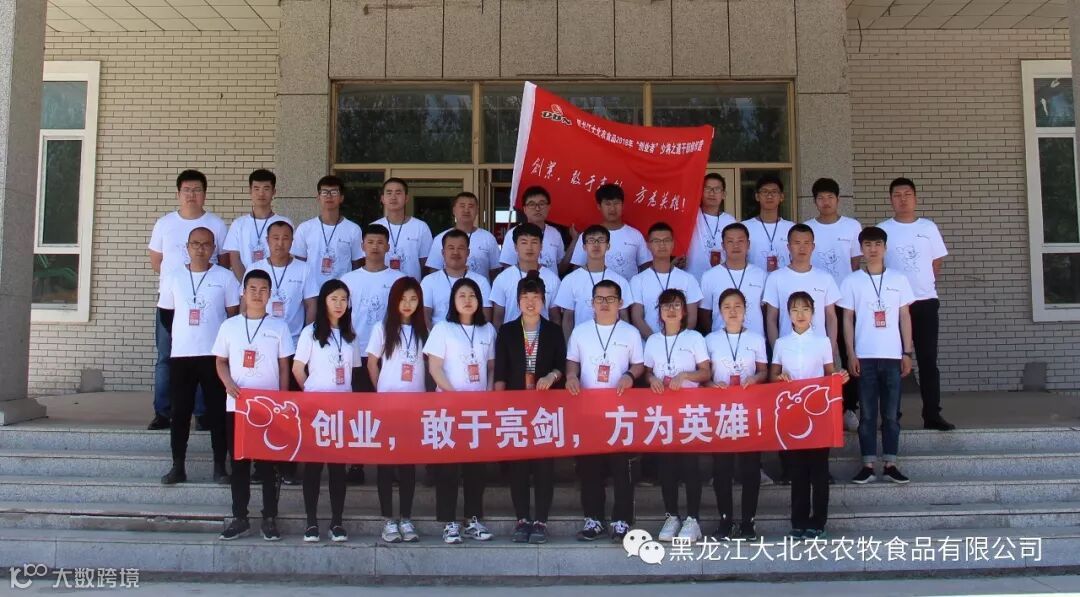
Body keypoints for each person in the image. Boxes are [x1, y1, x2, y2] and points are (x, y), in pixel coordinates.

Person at [212, 270, 294, 541]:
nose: (258, 294)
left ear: (270, 294)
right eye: (253, 289)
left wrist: (283, 400)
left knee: (269, 466)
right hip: (238, 406)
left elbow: (284, 366)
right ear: (243, 293)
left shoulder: (279, 327)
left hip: (269, 407)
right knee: (239, 464)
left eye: (263, 289)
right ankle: (240, 517)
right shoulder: (229, 326)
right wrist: (227, 383)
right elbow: (220, 361)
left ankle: (269, 517)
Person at [157, 227, 240, 486]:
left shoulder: (225, 277)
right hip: (182, 354)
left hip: (214, 356)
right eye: (195, 243)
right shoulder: (173, 277)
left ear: (214, 248)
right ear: (187, 247)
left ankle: (220, 467)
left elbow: (233, 314)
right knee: (180, 412)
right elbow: (166, 315)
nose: (200, 248)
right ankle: (178, 466)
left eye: (206, 244)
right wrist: (183, 335)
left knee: (217, 412)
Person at [147, 170, 228, 430]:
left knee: (206, 357)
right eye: (186, 190)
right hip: (173, 302)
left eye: (197, 190)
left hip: (208, 304)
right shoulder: (164, 223)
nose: (191, 195)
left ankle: (202, 413)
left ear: (205, 193)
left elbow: (223, 261)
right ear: (178, 193)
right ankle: (163, 412)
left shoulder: (216, 224)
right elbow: (157, 262)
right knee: (166, 356)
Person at [566, 280, 645, 543]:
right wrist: (571, 377)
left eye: (610, 299)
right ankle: (593, 518)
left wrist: (629, 376)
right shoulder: (580, 332)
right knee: (590, 468)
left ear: (620, 303)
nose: (604, 303)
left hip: (620, 411)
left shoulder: (630, 333)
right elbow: (572, 363)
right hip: (589, 410)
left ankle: (622, 520)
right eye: (599, 299)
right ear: (591, 303)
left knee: (622, 468)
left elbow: (639, 365)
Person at [493, 274, 566, 544]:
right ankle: (522, 519)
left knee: (545, 466)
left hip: (545, 407)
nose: (531, 302)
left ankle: (541, 521)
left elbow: (562, 365)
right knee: (519, 466)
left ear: (544, 301)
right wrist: (498, 406)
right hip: (515, 408)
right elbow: (500, 372)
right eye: (525, 297)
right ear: (518, 301)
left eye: (536, 297)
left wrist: (552, 376)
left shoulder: (554, 331)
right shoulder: (508, 331)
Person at [424, 278, 497, 544]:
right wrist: (455, 397)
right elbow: (434, 368)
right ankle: (449, 522)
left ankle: (473, 519)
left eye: (472, 296)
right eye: (462, 295)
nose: (467, 300)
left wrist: (487, 394)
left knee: (476, 468)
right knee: (448, 469)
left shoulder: (487, 329)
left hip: (477, 411)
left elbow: (491, 367)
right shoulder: (443, 328)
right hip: (448, 408)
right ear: (453, 301)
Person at [877, 177, 954, 431]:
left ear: (915, 198)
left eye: (907, 194)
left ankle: (932, 415)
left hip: (925, 302)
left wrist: (922, 286)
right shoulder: (883, 230)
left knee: (928, 360)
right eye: (897, 195)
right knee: (892, 362)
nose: (903, 199)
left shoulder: (928, 227)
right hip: (894, 306)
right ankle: (892, 417)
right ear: (891, 200)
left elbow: (936, 262)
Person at [770, 292, 849, 540]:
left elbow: (829, 373)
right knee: (798, 471)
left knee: (819, 470)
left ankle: (818, 521)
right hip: (793, 414)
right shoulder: (781, 343)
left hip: (818, 413)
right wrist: (780, 378)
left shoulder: (822, 341)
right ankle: (799, 521)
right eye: (795, 310)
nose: (800, 314)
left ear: (813, 313)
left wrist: (838, 378)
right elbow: (773, 375)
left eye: (805, 309)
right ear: (788, 314)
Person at [841, 226, 916, 485]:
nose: (872, 249)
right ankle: (868, 465)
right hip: (865, 356)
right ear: (861, 249)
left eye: (877, 244)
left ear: (885, 248)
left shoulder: (899, 279)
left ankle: (891, 463)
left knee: (892, 414)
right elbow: (847, 319)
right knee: (868, 415)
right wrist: (851, 353)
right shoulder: (851, 281)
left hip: (893, 356)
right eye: (867, 245)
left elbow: (905, 316)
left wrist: (907, 352)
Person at [292, 279, 363, 543]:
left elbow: (354, 373)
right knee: (312, 468)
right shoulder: (309, 333)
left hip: (342, 411)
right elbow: (297, 369)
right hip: (316, 412)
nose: (339, 304)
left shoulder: (350, 335)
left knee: (337, 469)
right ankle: (311, 522)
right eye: (334, 298)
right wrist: (311, 393)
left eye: (344, 299)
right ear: (324, 301)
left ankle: (336, 522)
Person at [643, 289, 711, 543]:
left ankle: (693, 519)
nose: (671, 310)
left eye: (676, 306)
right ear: (659, 312)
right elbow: (647, 371)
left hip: (689, 411)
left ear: (684, 311)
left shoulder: (694, 338)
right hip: (663, 413)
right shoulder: (653, 341)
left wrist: (685, 376)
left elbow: (705, 372)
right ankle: (672, 516)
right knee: (667, 467)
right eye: (666, 306)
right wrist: (652, 379)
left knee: (690, 466)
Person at [366, 277, 428, 543]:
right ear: (394, 300)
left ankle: (406, 517)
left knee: (407, 465)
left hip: (415, 406)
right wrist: (380, 391)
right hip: (388, 406)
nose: (407, 304)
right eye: (403, 299)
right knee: (385, 464)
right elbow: (371, 363)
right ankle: (388, 519)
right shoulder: (382, 329)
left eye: (413, 299)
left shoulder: (425, 330)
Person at [705, 288, 769, 541]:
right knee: (722, 468)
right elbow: (704, 376)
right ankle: (725, 520)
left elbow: (764, 371)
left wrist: (755, 378)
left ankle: (748, 522)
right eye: (727, 307)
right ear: (719, 311)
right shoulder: (710, 340)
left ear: (745, 310)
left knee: (750, 467)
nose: (732, 311)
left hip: (748, 410)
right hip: (721, 411)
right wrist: (712, 385)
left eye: (737, 306)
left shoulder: (756, 339)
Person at [804, 177, 863, 431]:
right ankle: (818, 405)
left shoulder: (852, 226)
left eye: (830, 197)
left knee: (848, 354)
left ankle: (850, 407)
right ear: (814, 201)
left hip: (845, 301)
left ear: (838, 199)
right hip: (815, 303)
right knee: (820, 354)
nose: (825, 202)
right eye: (820, 198)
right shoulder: (807, 228)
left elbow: (855, 264)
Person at [339, 224, 405, 394]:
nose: (375, 246)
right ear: (362, 246)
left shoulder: (399, 280)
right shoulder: (348, 279)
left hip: (390, 350)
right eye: (370, 242)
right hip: (357, 350)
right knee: (360, 402)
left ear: (388, 247)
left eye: (380, 242)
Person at [555, 225, 632, 342]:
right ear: (584, 247)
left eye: (601, 240)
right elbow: (568, 319)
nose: (596, 244)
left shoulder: (620, 281)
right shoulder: (570, 280)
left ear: (608, 246)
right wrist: (569, 348)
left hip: (613, 343)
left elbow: (624, 317)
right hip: (581, 343)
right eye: (591, 240)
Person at [631, 222, 704, 339]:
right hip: (650, 344)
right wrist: (655, 341)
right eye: (656, 241)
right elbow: (637, 317)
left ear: (673, 244)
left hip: (680, 343)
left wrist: (676, 341)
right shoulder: (637, 280)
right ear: (648, 245)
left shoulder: (688, 279)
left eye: (666, 240)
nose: (662, 245)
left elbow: (691, 318)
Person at [291, 175, 363, 293]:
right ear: (318, 197)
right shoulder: (305, 228)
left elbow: (357, 265)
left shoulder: (353, 229)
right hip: (312, 293)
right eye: (324, 192)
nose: (329, 196)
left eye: (334, 192)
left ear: (341, 198)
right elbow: (299, 265)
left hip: (341, 294)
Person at [566, 184, 651, 281]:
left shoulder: (636, 235)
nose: (612, 209)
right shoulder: (588, 235)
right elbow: (577, 270)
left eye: (616, 203)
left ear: (623, 205)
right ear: (599, 206)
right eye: (607, 204)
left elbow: (645, 269)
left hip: (627, 290)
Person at [699, 223, 768, 337]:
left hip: (755, 341)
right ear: (723, 245)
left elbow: (766, 312)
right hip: (721, 341)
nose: (736, 245)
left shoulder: (761, 275)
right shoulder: (709, 276)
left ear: (748, 244)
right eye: (730, 241)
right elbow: (704, 314)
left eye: (740, 241)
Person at [224, 169, 292, 279]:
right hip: (247, 285)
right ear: (250, 191)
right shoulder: (238, 224)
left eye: (266, 189)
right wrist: (246, 284)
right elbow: (235, 259)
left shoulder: (285, 223)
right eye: (256, 188)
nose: (261, 193)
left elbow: (289, 256)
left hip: (277, 282)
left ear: (274, 192)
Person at [490, 223, 561, 326]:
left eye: (534, 242)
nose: (529, 247)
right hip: (511, 335)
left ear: (541, 246)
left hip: (542, 335)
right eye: (524, 242)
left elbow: (555, 318)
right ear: (515, 247)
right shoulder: (502, 279)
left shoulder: (552, 279)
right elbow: (498, 319)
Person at [420, 228, 493, 328]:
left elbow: (485, 318)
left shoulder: (481, 282)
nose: (455, 252)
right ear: (443, 253)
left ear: (468, 252)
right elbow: (424, 317)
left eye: (460, 248)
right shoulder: (429, 281)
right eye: (451, 248)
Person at [426, 192, 500, 280]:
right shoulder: (440, 238)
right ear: (454, 210)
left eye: (471, 206)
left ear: (477, 211)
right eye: (462, 206)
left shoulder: (488, 238)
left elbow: (495, 271)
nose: (466, 210)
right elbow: (434, 271)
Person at [372, 177, 434, 280]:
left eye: (398, 193)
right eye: (389, 193)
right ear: (382, 199)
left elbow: (426, 265)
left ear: (406, 198)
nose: (393, 197)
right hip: (380, 286)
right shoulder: (374, 227)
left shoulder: (420, 227)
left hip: (411, 288)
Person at [499, 186, 567, 273]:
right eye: (532, 204)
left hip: (551, 281)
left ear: (549, 207)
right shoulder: (512, 234)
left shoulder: (555, 233)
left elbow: (559, 266)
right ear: (524, 209)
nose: (537, 208)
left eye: (541, 204)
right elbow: (508, 269)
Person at [686, 173, 736, 280]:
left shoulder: (730, 221)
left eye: (717, 189)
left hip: (723, 279)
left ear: (723, 194)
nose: (712, 193)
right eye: (707, 188)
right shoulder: (690, 216)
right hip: (693, 277)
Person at [743, 174, 795, 273]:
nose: (769, 196)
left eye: (774, 192)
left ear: (781, 197)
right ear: (757, 196)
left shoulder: (791, 228)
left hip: (783, 280)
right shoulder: (744, 227)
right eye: (765, 191)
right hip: (754, 280)